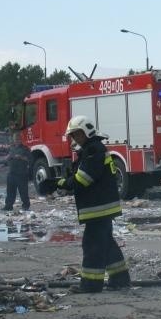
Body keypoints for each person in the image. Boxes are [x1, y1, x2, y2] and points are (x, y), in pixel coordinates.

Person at [57, 115, 131, 293]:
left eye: (77, 134)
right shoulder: (93, 149)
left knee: (92, 245)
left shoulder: (92, 151)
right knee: (106, 243)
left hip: (98, 207)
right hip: (102, 206)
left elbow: (83, 179)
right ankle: (120, 279)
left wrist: (61, 183)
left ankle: (91, 285)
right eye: (73, 136)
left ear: (87, 131)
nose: (75, 139)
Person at [4, 132, 32, 212]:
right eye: (16, 139)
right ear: (13, 140)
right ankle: (8, 206)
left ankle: (26, 206)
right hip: (11, 173)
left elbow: (30, 160)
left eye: (18, 139)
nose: (17, 140)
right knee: (10, 192)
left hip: (22, 173)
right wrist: (8, 157)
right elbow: (5, 159)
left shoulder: (25, 149)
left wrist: (21, 157)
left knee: (23, 192)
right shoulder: (10, 148)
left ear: (21, 140)